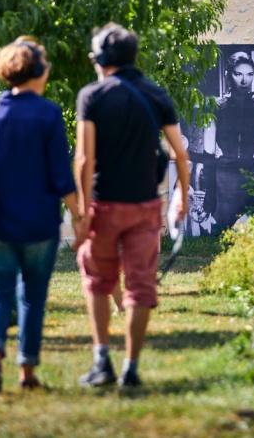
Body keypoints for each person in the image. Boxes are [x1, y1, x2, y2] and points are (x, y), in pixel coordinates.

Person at [73, 23, 190, 388]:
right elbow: (179, 153)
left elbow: (83, 159)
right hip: (145, 205)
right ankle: (132, 368)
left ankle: (101, 362)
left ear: (102, 59)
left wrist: (81, 211)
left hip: (105, 203)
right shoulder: (155, 94)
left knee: (97, 280)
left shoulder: (92, 96)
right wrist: (182, 196)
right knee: (140, 286)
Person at [0, 36, 78, 395]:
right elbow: (62, 176)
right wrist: (79, 216)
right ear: (38, 71)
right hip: (39, 224)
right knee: (32, 296)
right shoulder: (48, 114)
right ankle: (27, 370)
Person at [201, 51, 254, 229]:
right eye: (238, 74)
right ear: (229, 75)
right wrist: (209, 200)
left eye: (249, 74)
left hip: (251, 175)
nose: (244, 80)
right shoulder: (215, 108)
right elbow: (208, 156)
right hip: (224, 178)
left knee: (250, 232)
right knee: (225, 232)